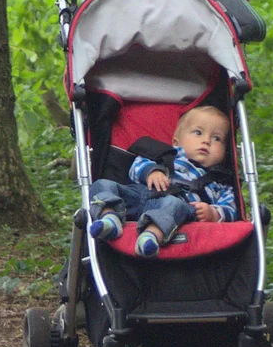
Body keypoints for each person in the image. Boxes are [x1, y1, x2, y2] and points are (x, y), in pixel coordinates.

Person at [88, 105, 237, 257]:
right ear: (176, 142)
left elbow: (231, 208)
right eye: (198, 133)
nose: (206, 141)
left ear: (225, 153)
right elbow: (136, 166)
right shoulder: (166, 157)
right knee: (102, 184)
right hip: (141, 196)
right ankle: (109, 217)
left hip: (174, 207)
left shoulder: (219, 183)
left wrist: (214, 213)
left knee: (174, 204)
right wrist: (151, 171)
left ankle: (151, 236)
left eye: (216, 138)